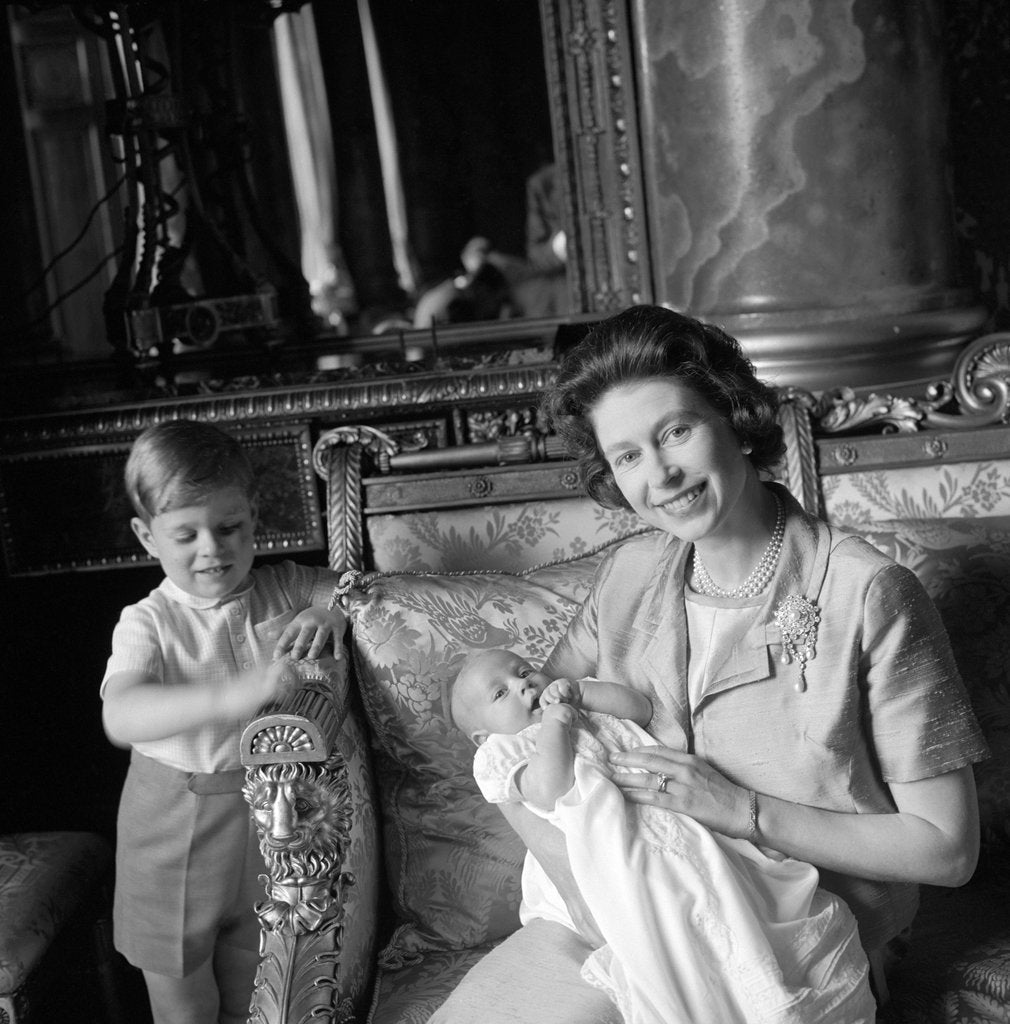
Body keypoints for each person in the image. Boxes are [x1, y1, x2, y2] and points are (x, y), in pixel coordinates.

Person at [429, 305, 988, 1023]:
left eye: (676, 432)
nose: (659, 475)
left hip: (790, 944)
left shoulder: (869, 594)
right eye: (627, 455)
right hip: (621, 913)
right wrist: (330, 602)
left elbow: (947, 849)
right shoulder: (630, 573)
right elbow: (517, 728)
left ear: (732, 415)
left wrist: (746, 812)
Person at [451, 648, 875, 1024]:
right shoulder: (505, 752)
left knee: (732, 897)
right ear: (482, 736)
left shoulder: (577, 701)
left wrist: (581, 694)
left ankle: (761, 976)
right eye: (500, 693)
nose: (522, 684)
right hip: (607, 848)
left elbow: (637, 708)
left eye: (522, 671)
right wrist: (553, 729)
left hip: (675, 824)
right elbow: (550, 789)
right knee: (671, 920)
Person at [100, 419, 347, 1024]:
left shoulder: (282, 585)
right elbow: (121, 714)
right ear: (146, 536)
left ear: (254, 517)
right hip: (171, 822)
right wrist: (230, 695)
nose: (212, 549)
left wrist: (331, 613)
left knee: (256, 984)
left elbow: (352, 589)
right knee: (185, 1003)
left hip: (265, 817)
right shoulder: (148, 621)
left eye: (229, 527)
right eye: (185, 534)